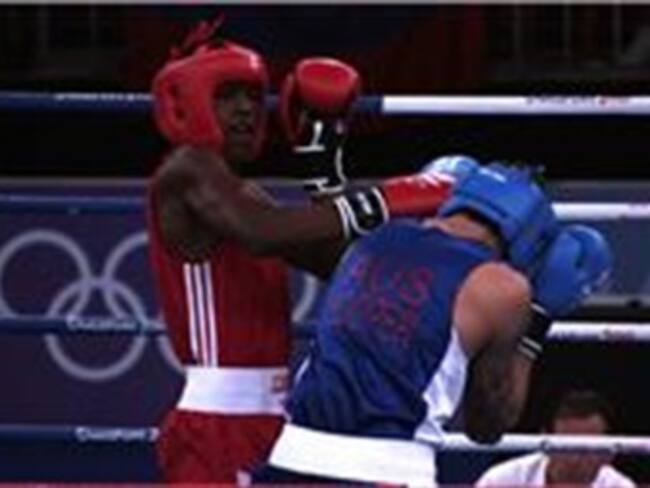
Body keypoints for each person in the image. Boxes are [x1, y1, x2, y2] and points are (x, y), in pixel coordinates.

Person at [147, 19, 457, 483]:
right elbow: (261, 233)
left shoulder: (245, 195)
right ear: (190, 102)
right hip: (216, 425)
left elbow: (343, 266)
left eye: (253, 97)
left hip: (275, 421)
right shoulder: (186, 171)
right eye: (228, 96)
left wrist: (323, 175)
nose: (246, 109)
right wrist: (382, 200)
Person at [252, 163, 613, 485]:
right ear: (529, 237)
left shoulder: (370, 241)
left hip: (288, 457)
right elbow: (488, 424)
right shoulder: (502, 287)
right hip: (387, 467)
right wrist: (538, 318)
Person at [475, 389, 635, 487]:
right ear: (546, 445)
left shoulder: (620, 486)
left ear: (609, 454)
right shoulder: (501, 481)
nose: (575, 461)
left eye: (586, 449)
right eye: (566, 447)